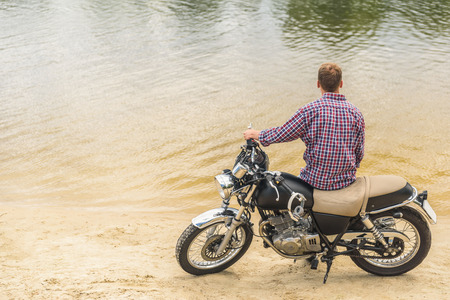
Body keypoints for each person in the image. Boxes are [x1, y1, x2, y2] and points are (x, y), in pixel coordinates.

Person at [243, 63, 365, 191]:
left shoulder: (310, 110)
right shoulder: (355, 113)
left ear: (318, 84)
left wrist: (256, 134)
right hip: (345, 182)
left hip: (314, 181)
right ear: (341, 84)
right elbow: (359, 153)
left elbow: (283, 133)